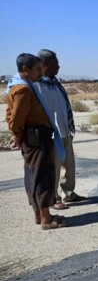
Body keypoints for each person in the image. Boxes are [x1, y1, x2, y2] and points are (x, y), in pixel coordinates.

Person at [5, 53, 67, 229]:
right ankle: (46, 220)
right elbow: (16, 117)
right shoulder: (23, 89)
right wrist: (16, 134)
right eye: (38, 69)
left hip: (36, 137)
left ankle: (40, 216)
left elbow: (10, 114)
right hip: (37, 138)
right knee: (42, 177)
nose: (41, 72)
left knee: (34, 176)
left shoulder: (18, 85)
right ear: (26, 69)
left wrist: (16, 133)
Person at [34, 49, 86, 210]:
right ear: (44, 64)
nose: (59, 67)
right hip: (51, 134)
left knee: (69, 165)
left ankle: (68, 193)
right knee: (53, 168)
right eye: (56, 64)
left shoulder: (55, 84)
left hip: (65, 130)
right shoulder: (37, 85)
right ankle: (53, 198)